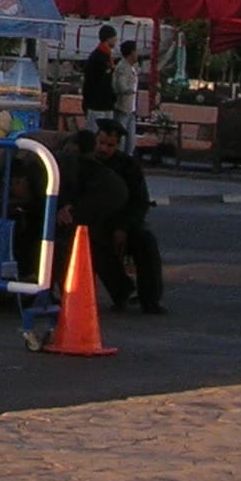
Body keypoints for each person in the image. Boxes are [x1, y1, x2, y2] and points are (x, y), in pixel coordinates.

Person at [81, 120, 165, 314]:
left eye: (109, 145)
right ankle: (122, 292)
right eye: (101, 143)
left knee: (146, 242)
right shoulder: (86, 162)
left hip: (124, 222)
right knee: (96, 245)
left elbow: (140, 202)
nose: (103, 149)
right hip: (94, 225)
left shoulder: (128, 166)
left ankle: (150, 300)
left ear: (117, 145)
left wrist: (123, 227)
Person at [80, 25, 119, 130]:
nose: (116, 40)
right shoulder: (97, 57)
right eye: (115, 37)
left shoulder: (107, 56)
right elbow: (90, 82)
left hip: (107, 104)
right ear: (109, 38)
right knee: (94, 133)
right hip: (96, 104)